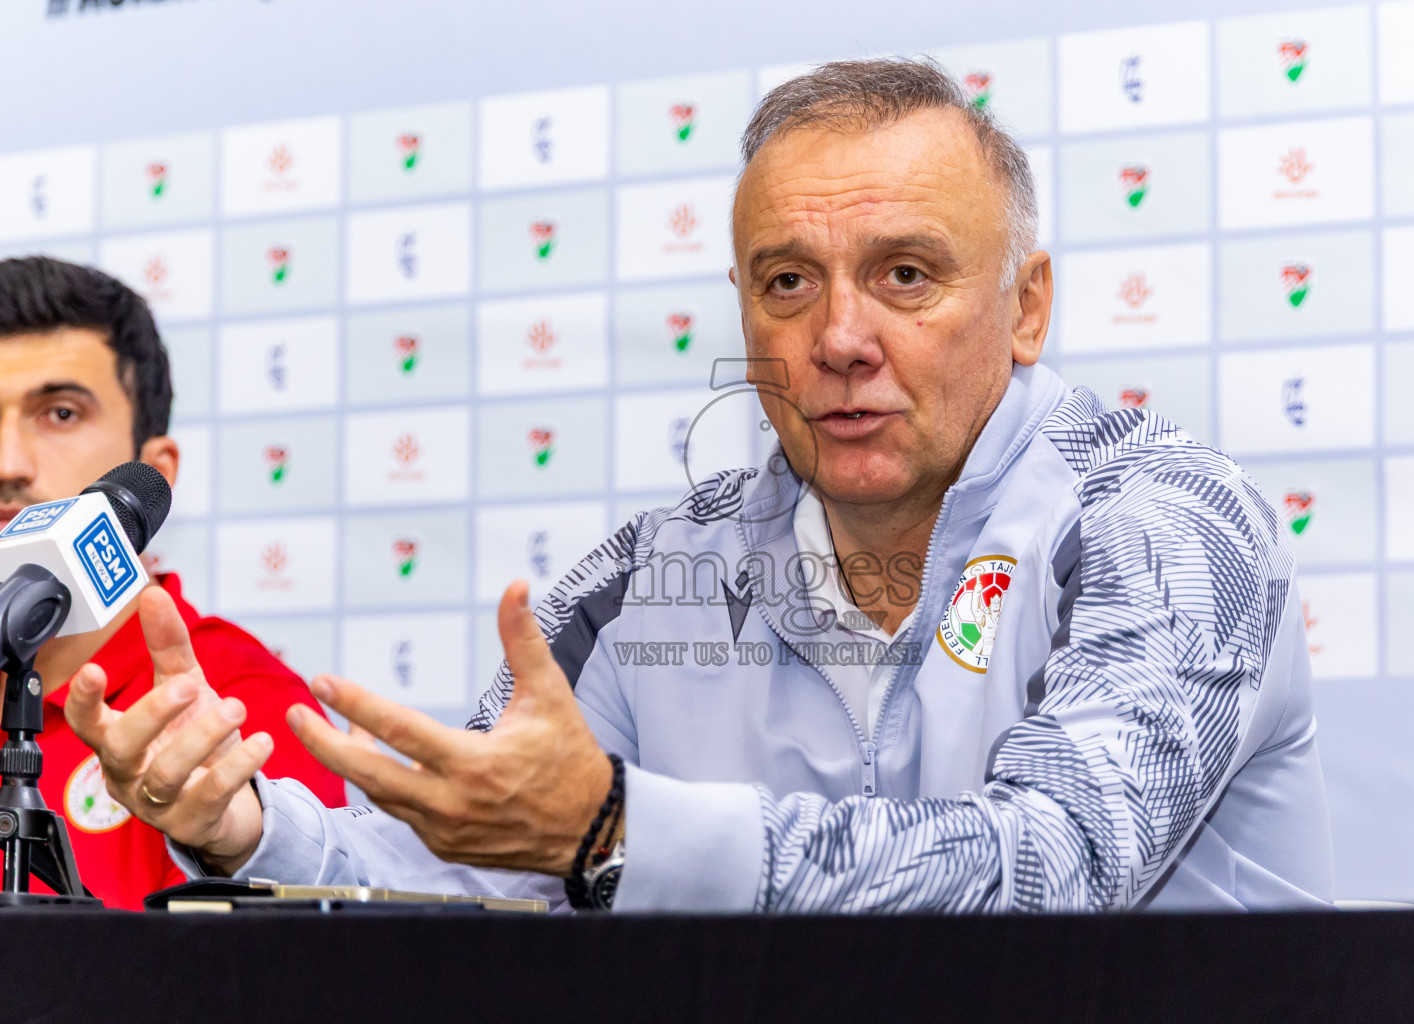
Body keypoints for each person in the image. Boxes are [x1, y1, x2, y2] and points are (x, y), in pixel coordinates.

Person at [68, 59, 1333, 913]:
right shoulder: (648, 579)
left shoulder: (1167, 521)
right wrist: (243, 830)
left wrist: (619, 831)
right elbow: (449, 879)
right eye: (788, 281)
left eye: (905, 274)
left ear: (1028, 306)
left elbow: (1051, 868)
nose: (840, 336)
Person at [0, 256, 345, 909]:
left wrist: (230, 840)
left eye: (61, 413)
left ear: (151, 475)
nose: (7, 462)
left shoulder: (237, 702)